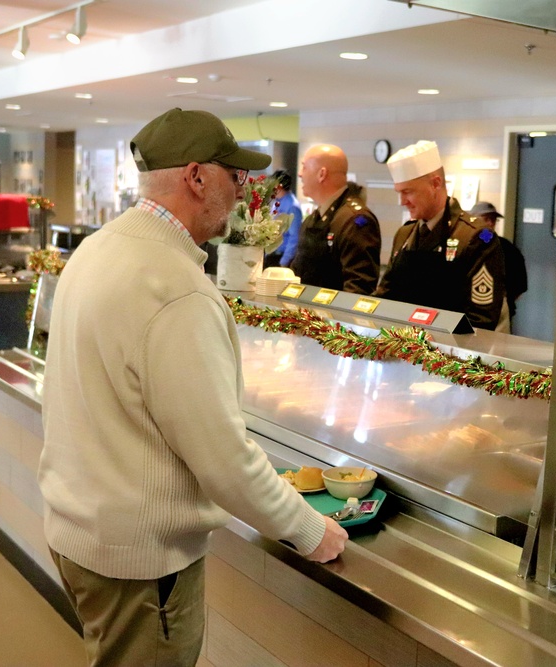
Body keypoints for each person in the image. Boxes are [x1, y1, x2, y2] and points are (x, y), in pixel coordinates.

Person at [38, 108, 347, 667]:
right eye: (234, 175)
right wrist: (309, 529)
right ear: (197, 177)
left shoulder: (98, 249)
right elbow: (222, 457)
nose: (241, 189)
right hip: (138, 562)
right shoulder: (176, 289)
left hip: (76, 531)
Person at [376, 141, 507, 330]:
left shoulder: (475, 237)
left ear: (435, 184)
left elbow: (481, 320)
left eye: (408, 192)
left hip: (446, 354)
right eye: (399, 193)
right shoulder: (405, 234)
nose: (402, 202)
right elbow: (385, 296)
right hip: (401, 347)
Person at [290, 144, 381, 293]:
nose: (300, 174)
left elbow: (358, 287)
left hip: (332, 314)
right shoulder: (314, 218)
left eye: (304, 167)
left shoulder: (355, 220)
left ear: (322, 174)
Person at [469, 201, 528, 318]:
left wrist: (503, 300)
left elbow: (519, 285)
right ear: (472, 219)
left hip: (499, 308)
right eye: (485, 219)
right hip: (467, 308)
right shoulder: (465, 244)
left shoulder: (507, 248)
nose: (490, 223)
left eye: (493, 219)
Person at [262, 168, 302, 269]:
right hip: (271, 255)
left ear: (279, 185)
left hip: (280, 257)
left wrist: (284, 262)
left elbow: (294, 237)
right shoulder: (277, 202)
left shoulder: (292, 206)